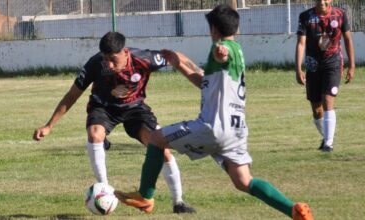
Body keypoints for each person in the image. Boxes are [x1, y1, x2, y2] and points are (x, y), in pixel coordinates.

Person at [115, 4, 314, 220]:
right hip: (236, 132)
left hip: (213, 127)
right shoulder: (232, 57)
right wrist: (178, 64)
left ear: (214, 31)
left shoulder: (225, 49)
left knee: (155, 138)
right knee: (244, 181)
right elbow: (204, 82)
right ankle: (293, 210)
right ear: (235, 29)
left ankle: (145, 196)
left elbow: (225, 54)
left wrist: (221, 52)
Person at [32, 31, 195, 214]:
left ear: (125, 52)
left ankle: (178, 202)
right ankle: (105, 190)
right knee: (95, 135)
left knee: (160, 148)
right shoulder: (95, 63)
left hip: (135, 109)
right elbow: (72, 95)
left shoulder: (144, 58)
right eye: (105, 59)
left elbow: (175, 57)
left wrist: (200, 73)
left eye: (113, 59)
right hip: (103, 108)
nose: (108, 64)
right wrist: (49, 125)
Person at [295, 0, 355, 152]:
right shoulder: (305, 16)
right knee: (317, 109)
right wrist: (298, 69)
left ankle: (328, 144)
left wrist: (352, 65)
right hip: (313, 65)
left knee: (328, 100)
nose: (322, 1)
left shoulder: (340, 14)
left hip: (333, 63)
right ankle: (327, 136)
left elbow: (348, 40)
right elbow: (301, 43)